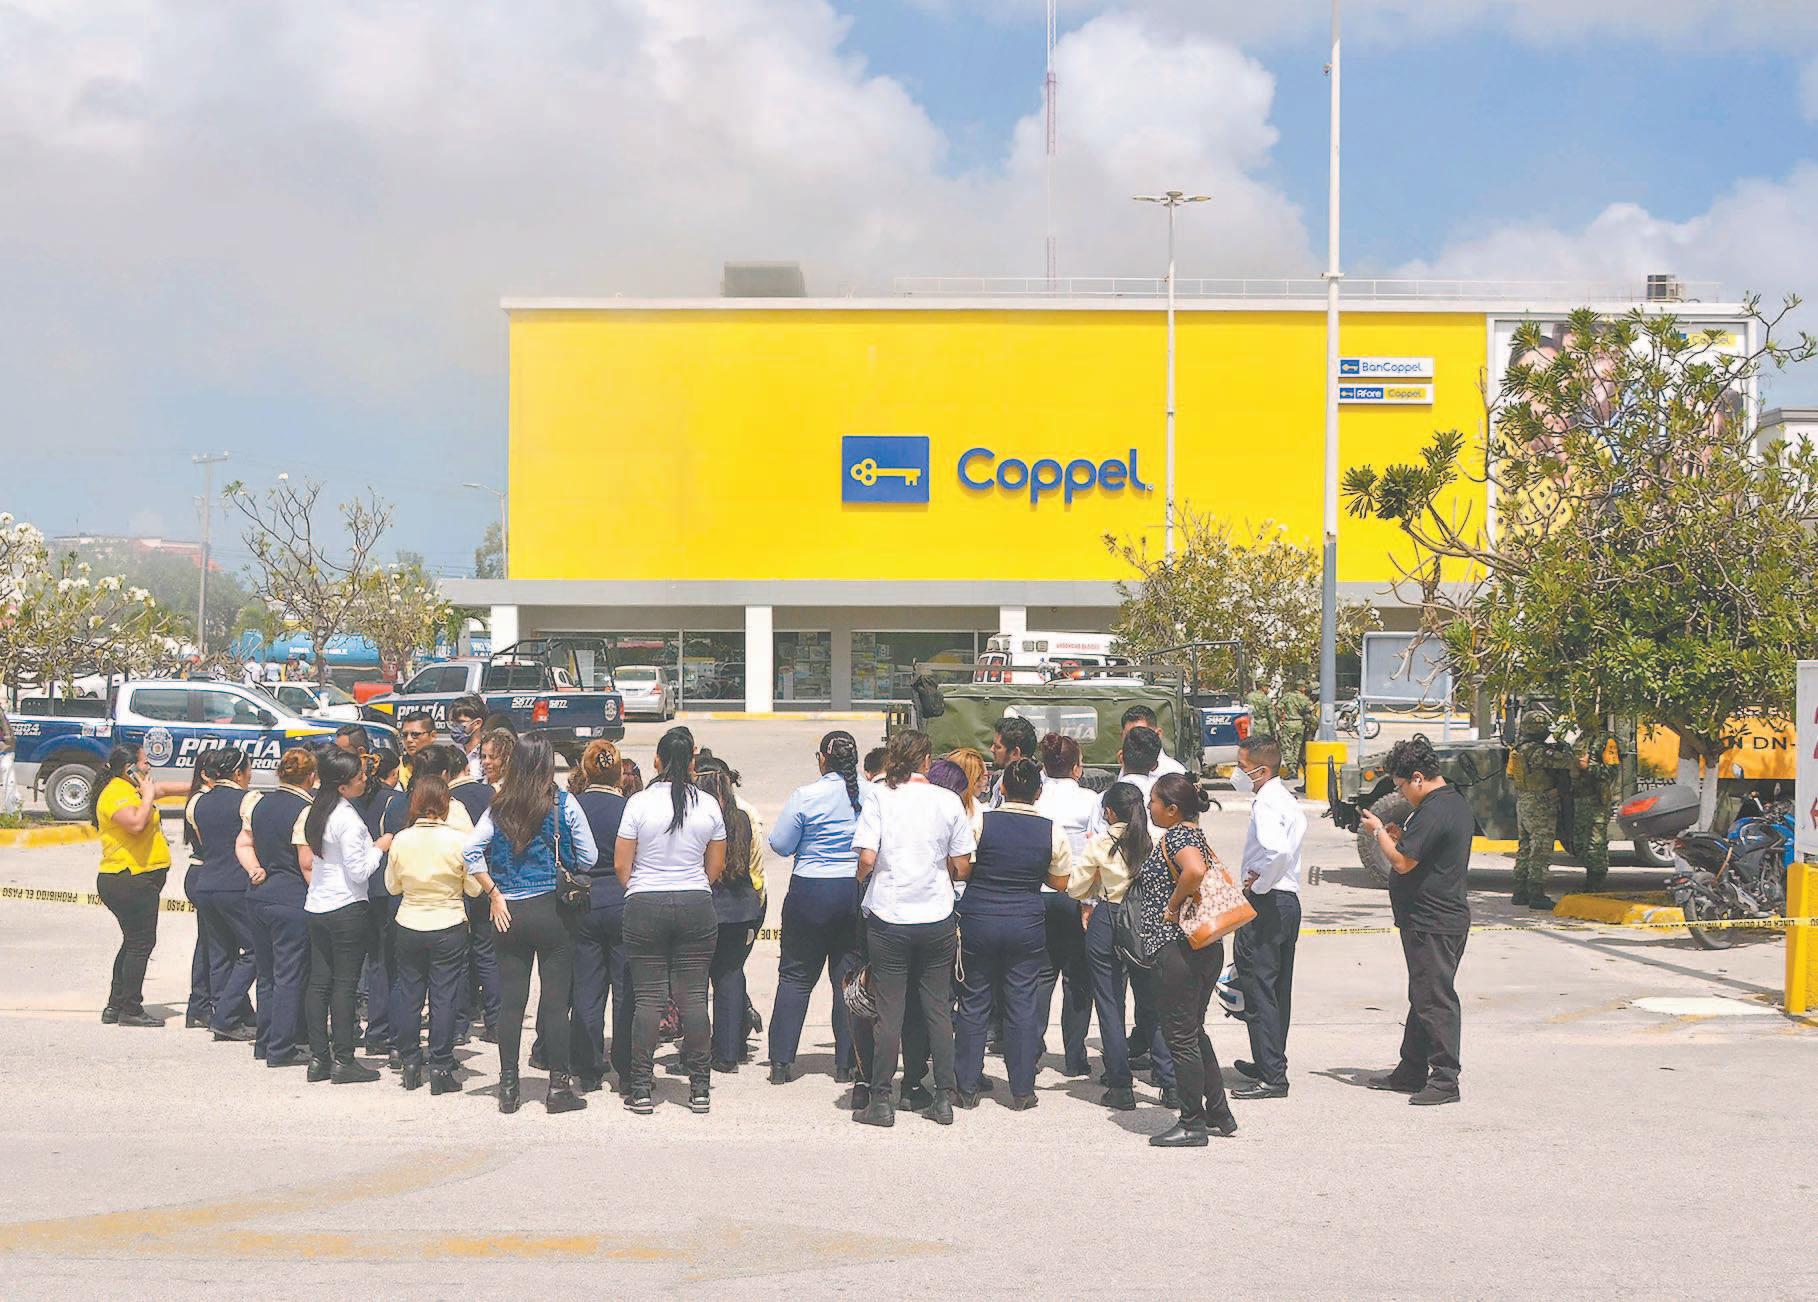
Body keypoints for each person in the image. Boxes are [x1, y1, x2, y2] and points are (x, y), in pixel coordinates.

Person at [463, 735, 596, 1115]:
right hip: (553, 911)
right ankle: (558, 1087)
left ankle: (508, 1087)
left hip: (508, 911)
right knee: (554, 1004)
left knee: (511, 1002)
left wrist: (493, 892)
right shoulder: (562, 803)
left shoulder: (498, 805)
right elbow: (589, 856)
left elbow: (469, 850)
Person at [851, 729, 974, 1128]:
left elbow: (867, 858)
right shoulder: (948, 800)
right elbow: (962, 866)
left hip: (890, 915)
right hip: (936, 916)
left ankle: (880, 1100)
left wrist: (862, 881)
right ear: (926, 761)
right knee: (937, 1008)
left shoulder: (879, 796)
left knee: (890, 1011)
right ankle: (942, 1097)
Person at [615, 726, 726, 1115]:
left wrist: (641, 888)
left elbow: (622, 865)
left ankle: (641, 1088)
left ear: (656, 761)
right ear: (692, 763)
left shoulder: (638, 804)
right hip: (695, 901)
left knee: (648, 999)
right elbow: (715, 867)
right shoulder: (708, 805)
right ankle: (700, 1088)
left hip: (645, 902)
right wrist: (692, 886)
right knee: (693, 999)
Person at [1358, 735, 1472, 1106]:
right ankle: (1411, 1070)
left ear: (1418, 778)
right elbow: (1420, 850)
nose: (1402, 793)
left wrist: (1378, 831)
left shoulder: (1436, 809)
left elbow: (1403, 862)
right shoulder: (1447, 803)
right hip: (1431, 918)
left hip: (1433, 920)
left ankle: (1445, 1080)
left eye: (1402, 786)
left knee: (1435, 999)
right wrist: (1401, 836)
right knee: (1423, 995)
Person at [954, 757, 1069, 1111]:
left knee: (974, 1000)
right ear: (1038, 792)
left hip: (979, 918)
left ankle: (967, 1086)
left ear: (1002, 788)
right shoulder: (1051, 830)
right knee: (1022, 1003)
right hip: (1026, 922)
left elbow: (962, 869)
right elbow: (1060, 882)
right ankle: (1022, 1089)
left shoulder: (981, 821)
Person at [1131, 773, 1238, 1148]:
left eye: (1154, 801)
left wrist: (1173, 905)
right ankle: (1218, 1111)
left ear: (1172, 809)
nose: (1149, 807)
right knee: (1193, 1031)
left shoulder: (1177, 837)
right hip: (1202, 947)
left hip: (1178, 949)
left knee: (1180, 1037)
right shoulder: (1195, 834)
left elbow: (1193, 871)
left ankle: (1192, 1123)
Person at [766, 731, 868, 1085]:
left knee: (795, 976)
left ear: (823, 759)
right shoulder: (872, 794)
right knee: (847, 978)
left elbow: (780, 844)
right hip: (854, 889)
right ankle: (846, 1064)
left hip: (810, 891)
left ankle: (781, 1063)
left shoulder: (806, 796)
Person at [386, 774, 480, 1094]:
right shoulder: (459, 841)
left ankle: (410, 1061)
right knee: (444, 996)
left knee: (409, 994)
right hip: (448, 921)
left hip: (409, 920)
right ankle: (440, 1064)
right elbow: (474, 887)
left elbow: (392, 885)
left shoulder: (401, 839)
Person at [303, 747, 391, 1083]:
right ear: (342, 785)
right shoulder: (348, 819)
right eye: (359, 777)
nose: (364, 780)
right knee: (344, 986)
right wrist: (379, 847)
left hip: (318, 904)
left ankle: (318, 1059)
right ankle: (343, 1059)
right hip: (346, 907)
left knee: (319, 984)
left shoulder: (317, 810)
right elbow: (359, 871)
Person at [1228, 734, 1305, 1100]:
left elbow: (1277, 852)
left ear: (1261, 770)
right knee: (1276, 989)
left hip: (1268, 902)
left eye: (1242, 767)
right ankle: (1269, 1060)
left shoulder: (1266, 804)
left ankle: (1272, 1076)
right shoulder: (1285, 798)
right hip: (1286, 901)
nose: (1237, 773)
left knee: (1258, 989)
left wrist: (1258, 886)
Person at [1066, 780, 1150, 1110]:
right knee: (1152, 1001)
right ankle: (1169, 1080)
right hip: (1144, 919)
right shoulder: (1152, 841)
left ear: (1110, 812)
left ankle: (1120, 1082)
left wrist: (1098, 882)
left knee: (1110, 1001)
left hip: (1110, 917)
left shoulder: (1101, 843)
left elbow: (1075, 888)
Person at [92, 745, 188, 1027]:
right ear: (129, 768)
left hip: (140, 879)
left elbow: (163, 789)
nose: (148, 768)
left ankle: (115, 1005)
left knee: (132, 941)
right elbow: (135, 823)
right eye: (145, 763)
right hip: (128, 879)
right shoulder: (116, 793)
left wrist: (201, 785)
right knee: (140, 944)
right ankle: (130, 1009)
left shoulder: (132, 788)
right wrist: (147, 796)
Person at [238, 746, 316, 1066]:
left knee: (266, 973)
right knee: (288, 975)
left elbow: (243, 843)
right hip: (291, 898)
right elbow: (306, 862)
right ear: (311, 777)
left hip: (258, 894)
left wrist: (254, 868)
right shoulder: (306, 810)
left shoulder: (257, 802)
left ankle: (265, 1041)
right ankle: (282, 1047)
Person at [565, 740, 632, 1092]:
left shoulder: (573, 806)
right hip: (622, 900)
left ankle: (587, 1067)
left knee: (587, 990)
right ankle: (627, 1066)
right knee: (625, 990)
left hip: (584, 901)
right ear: (618, 772)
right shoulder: (629, 808)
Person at [184, 747, 261, 1044]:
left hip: (206, 881)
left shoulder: (197, 802)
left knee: (220, 953)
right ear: (239, 773)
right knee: (255, 950)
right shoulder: (249, 800)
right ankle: (226, 1015)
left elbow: (204, 844)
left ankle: (229, 1011)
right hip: (235, 883)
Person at [1032, 732, 1096, 1079]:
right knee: (1077, 979)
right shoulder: (1090, 800)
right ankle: (1075, 1054)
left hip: (1039, 894)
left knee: (1041, 977)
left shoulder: (1036, 797)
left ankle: (1032, 1049)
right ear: (1076, 767)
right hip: (1077, 896)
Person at [698, 758, 766, 1073]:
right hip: (740, 908)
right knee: (730, 976)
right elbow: (756, 864)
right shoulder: (742, 818)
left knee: (697, 982)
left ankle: (698, 1049)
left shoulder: (696, 818)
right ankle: (730, 1051)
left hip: (706, 907)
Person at [445, 741, 500, 1045]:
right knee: (486, 951)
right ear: (466, 767)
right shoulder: (489, 793)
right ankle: (495, 1020)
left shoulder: (445, 800)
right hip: (487, 878)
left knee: (460, 957)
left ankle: (459, 1024)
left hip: (456, 882)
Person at [359, 747, 404, 1060]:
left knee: (375, 961)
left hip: (361, 885)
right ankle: (389, 1030)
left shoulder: (354, 800)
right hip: (388, 886)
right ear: (395, 771)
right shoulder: (396, 801)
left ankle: (375, 1029)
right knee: (395, 965)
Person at [1512, 707, 1574, 909]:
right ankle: (1536, 894)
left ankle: (1519, 892)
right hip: (1540, 803)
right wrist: (1564, 748)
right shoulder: (1538, 751)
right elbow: (1567, 762)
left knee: (1525, 847)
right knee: (1541, 849)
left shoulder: (1520, 749)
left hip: (1524, 801)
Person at [1571, 726, 1620, 892]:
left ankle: (1595, 882)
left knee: (1595, 845)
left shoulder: (1606, 740)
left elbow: (1611, 771)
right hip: (1580, 799)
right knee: (1580, 843)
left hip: (1597, 800)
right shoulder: (1581, 739)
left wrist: (1588, 767)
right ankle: (1591, 880)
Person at [986, 716, 1038, 806]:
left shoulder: (1030, 787)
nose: (992, 749)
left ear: (1015, 753)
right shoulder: (999, 779)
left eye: (998, 747)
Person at [1120, 705, 1186, 776]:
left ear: (1158, 734)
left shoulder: (1175, 773)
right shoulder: (1125, 768)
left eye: (1141, 735)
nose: (1133, 741)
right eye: (1128, 736)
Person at [449, 696, 488, 780]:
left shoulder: (488, 754)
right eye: (453, 722)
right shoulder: (453, 753)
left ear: (477, 723)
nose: (455, 726)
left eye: (460, 722)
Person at [397, 710, 437, 785]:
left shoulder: (446, 765)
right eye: (405, 735)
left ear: (433, 736)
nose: (409, 740)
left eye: (415, 734)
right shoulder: (396, 766)